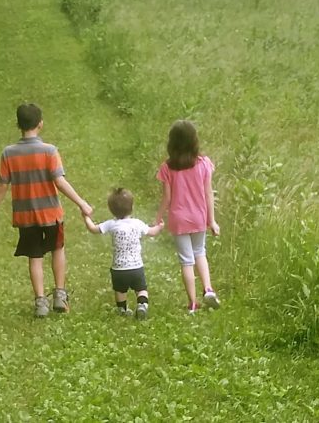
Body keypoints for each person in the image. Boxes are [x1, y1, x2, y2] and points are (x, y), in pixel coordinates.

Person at [0, 103, 93, 318]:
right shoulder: (49, 151)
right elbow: (59, 182)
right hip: (51, 214)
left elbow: (2, 186)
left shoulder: (9, 154)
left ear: (18, 125)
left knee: (35, 256)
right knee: (58, 249)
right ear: (40, 124)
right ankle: (60, 295)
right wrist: (81, 203)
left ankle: (40, 301)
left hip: (25, 216)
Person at [155, 120, 221, 314]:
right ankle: (208, 289)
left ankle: (192, 303)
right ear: (194, 141)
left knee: (186, 260)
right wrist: (212, 220)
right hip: (199, 217)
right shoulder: (203, 164)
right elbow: (209, 193)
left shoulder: (167, 168)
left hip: (178, 219)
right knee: (200, 251)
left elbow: (167, 197)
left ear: (172, 143)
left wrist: (158, 217)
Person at [82, 188, 164, 320]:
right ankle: (142, 304)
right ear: (132, 207)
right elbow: (152, 232)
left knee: (120, 290)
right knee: (141, 288)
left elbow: (93, 229)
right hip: (136, 267)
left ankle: (122, 308)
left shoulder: (111, 224)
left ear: (111, 209)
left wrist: (86, 217)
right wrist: (159, 227)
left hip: (119, 268)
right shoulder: (137, 223)